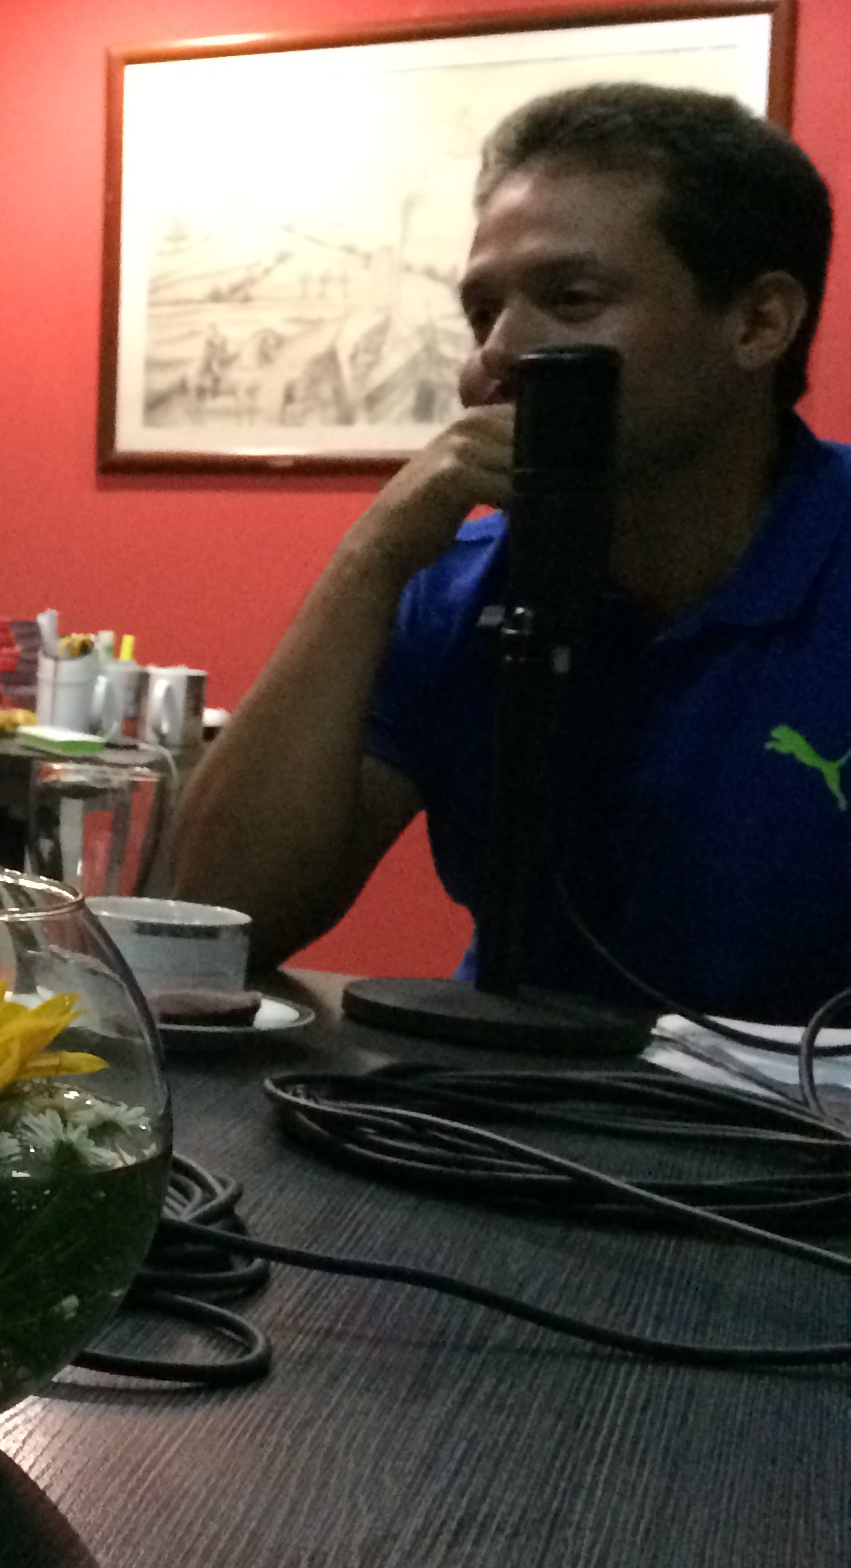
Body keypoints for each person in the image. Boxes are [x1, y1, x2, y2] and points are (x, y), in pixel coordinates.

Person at [165, 83, 845, 1019]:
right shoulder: (459, 586)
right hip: (511, 1120)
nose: (499, 354)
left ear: (759, 322)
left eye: (572, 300)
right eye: (483, 313)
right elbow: (210, 929)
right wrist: (372, 557)